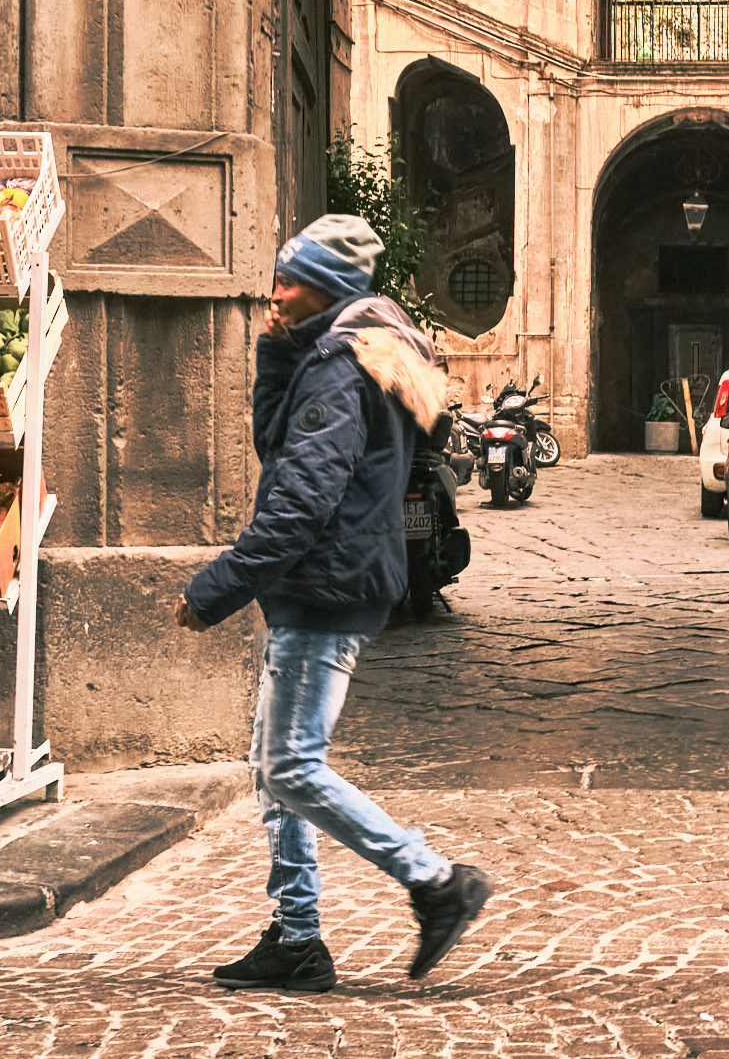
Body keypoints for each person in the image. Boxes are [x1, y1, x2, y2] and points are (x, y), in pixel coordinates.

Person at [173, 214, 492, 993]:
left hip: (325, 588)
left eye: (289, 279)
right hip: (320, 585)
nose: (273, 290)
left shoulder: (342, 370)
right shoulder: (328, 355)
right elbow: (274, 444)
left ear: (326, 288)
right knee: (273, 766)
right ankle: (296, 934)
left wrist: (217, 587)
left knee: (291, 764)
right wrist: (278, 344)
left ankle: (437, 881)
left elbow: (297, 504)